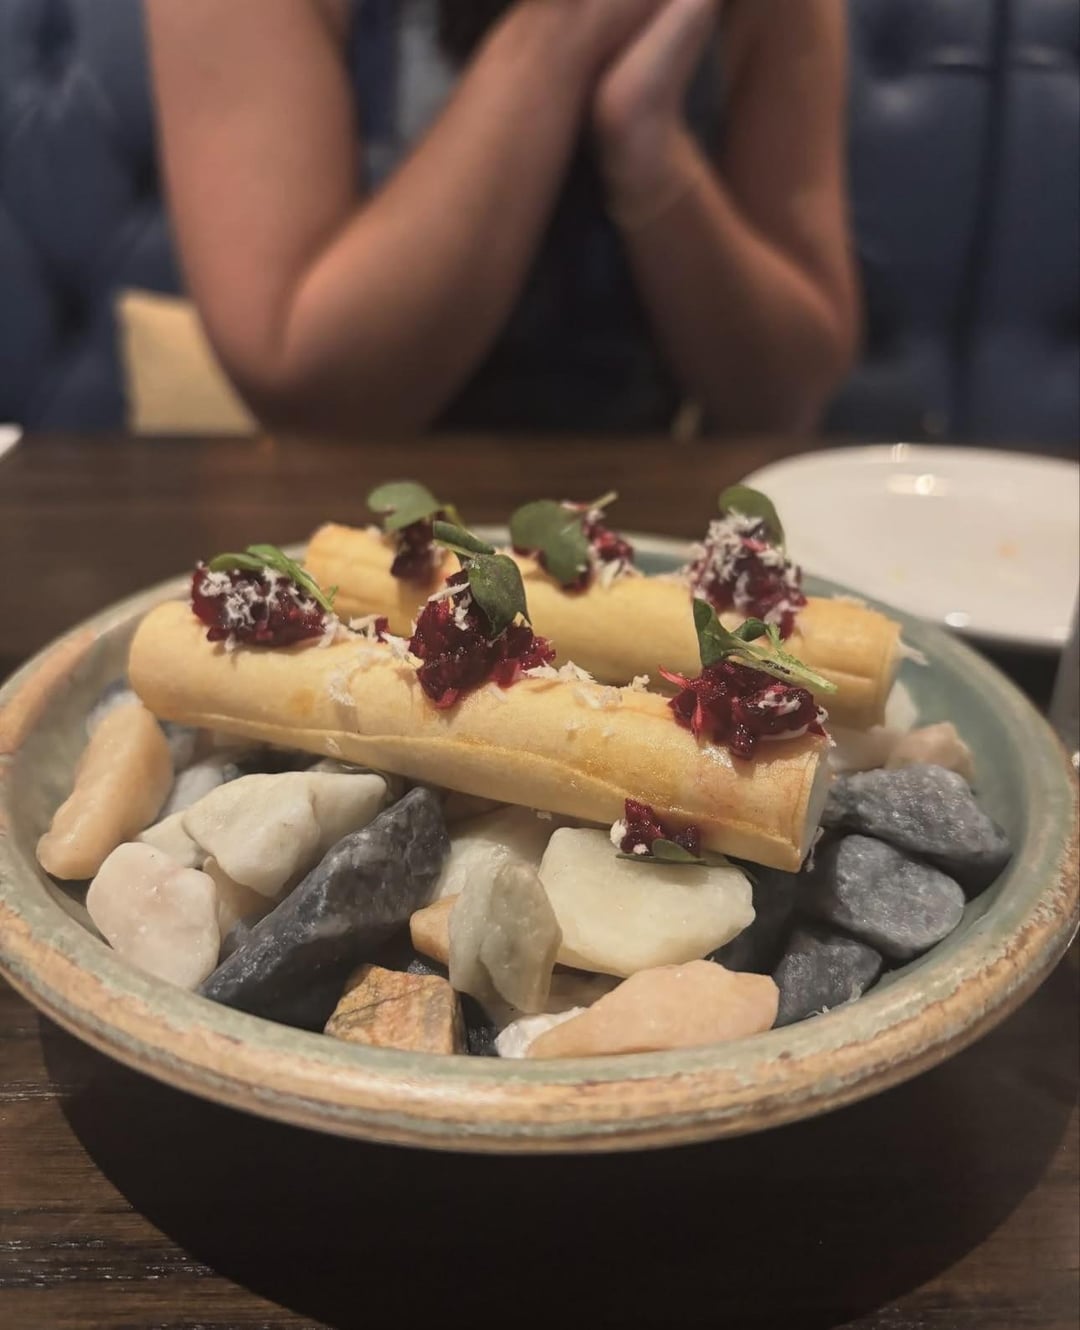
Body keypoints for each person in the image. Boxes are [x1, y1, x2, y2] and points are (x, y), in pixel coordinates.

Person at [147, 0, 858, 435]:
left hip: (652, 536)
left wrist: (649, 150)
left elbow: (786, 394)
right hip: (351, 536)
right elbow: (304, 387)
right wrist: (559, 35)